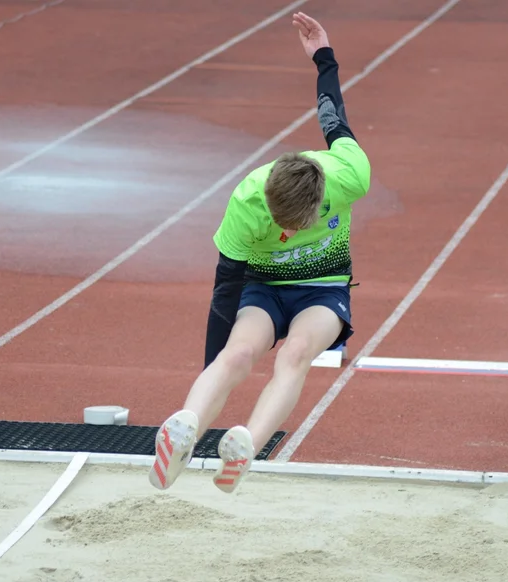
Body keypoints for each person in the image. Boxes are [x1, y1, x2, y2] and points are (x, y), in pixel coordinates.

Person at [149, 12, 371, 492]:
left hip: (321, 288)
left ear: (319, 201)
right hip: (264, 287)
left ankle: (246, 444)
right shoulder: (247, 204)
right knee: (237, 354)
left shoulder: (349, 174)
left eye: (296, 224)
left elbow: (333, 112)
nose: (286, 231)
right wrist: (213, 363)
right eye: (279, 222)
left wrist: (323, 57)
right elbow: (226, 287)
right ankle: (184, 428)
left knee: (294, 355)